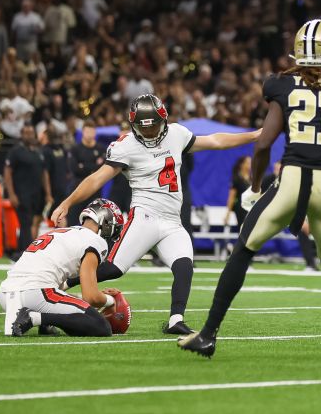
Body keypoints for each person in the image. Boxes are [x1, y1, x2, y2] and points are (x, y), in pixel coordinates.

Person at [179, 19, 321, 362]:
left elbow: (263, 144)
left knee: (244, 250)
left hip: (292, 179)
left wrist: (254, 187)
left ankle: (208, 334)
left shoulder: (281, 84)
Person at [53, 95, 259, 336]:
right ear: (133, 124)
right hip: (145, 216)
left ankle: (175, 319)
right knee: (114, 268)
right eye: (144, 126)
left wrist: (255, 135)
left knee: (184, 265)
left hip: (172, 220)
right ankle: (63, 283)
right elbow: (97, 178)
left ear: (164, 119)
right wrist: (67, 202)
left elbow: (216, 140)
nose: (149, 132)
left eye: (153, 125)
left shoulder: (177, 134)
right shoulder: (126, 145)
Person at [0, 198, 123, 337]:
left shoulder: (60, 232)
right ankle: (35, 318)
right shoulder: (95, 241)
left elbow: (58, 286)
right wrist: (111, 300)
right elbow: (91, 297)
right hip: (36, 293)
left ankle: (45, 323)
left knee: (59, 295)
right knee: (101, 326)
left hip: (5, 294)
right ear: (106, 224)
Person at [3, 123, 51, 259]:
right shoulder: (15, 152)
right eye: (26, 133)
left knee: (32, 223)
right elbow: (7, 172)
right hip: (21, 194)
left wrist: (47, 193)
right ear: (21, 135)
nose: (29, 135)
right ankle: (27, 252)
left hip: (37, 195)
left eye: (31, 133)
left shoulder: (38, 152)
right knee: (26, 223)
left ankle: (20, 252)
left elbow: (44, 174)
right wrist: (11, 194)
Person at [68, 122, 106, 228]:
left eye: (92, 131)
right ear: (83, 132)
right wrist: (94, 166)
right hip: (78, 189)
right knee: (72, 222)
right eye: (87, 131)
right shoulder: (75, 149)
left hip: (95, 191)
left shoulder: (101, 149)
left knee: (95, 222)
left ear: (95, 133)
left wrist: (83, 166)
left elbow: (103, 169)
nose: (89, 134)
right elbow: (75, 169)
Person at [224, 155, 252, 229]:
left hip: (251, 208)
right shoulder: (236, 179)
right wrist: (228, 214)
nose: (250, 165)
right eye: (248, 163)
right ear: (242, 165)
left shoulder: (252, 179)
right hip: (241, 209)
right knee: (244, 229)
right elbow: (231, 197)